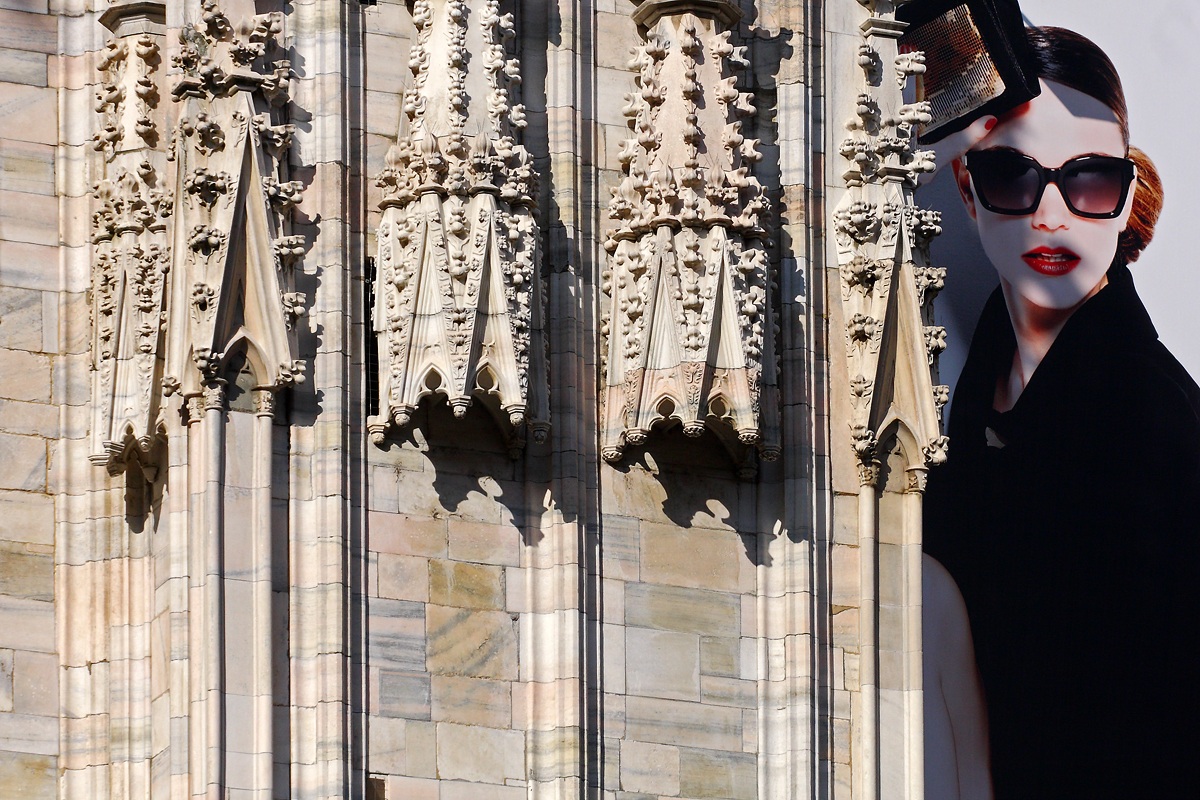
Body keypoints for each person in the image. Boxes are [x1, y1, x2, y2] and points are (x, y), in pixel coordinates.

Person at [921, 26, 1200, 799]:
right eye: (1014, 176)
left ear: (1126, 196)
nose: (1050, 216)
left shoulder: (1153, 421)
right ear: (970, 189)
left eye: (1089, 181)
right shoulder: (979, 383)